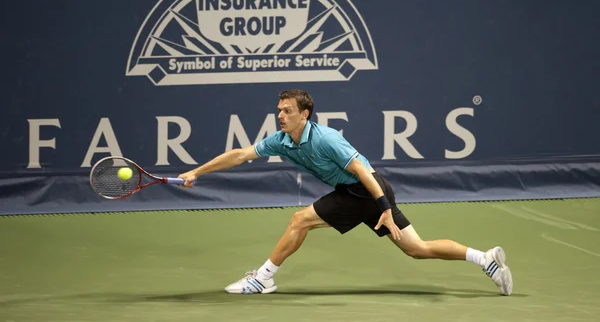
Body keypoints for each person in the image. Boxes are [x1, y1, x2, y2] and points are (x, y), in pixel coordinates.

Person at [178, 90, 513, 296]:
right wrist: (196, 171)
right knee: (417, 249)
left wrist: (382, 205)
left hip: (365, 190)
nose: (280, 115)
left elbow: (361, 171)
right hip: (366, 194)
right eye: (278, 110)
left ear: (304, 115)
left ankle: (263, 278)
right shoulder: (280, 140)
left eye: (287, 111)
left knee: (300, 220)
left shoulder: (325, 139)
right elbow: (239, 155)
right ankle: (485, 259)